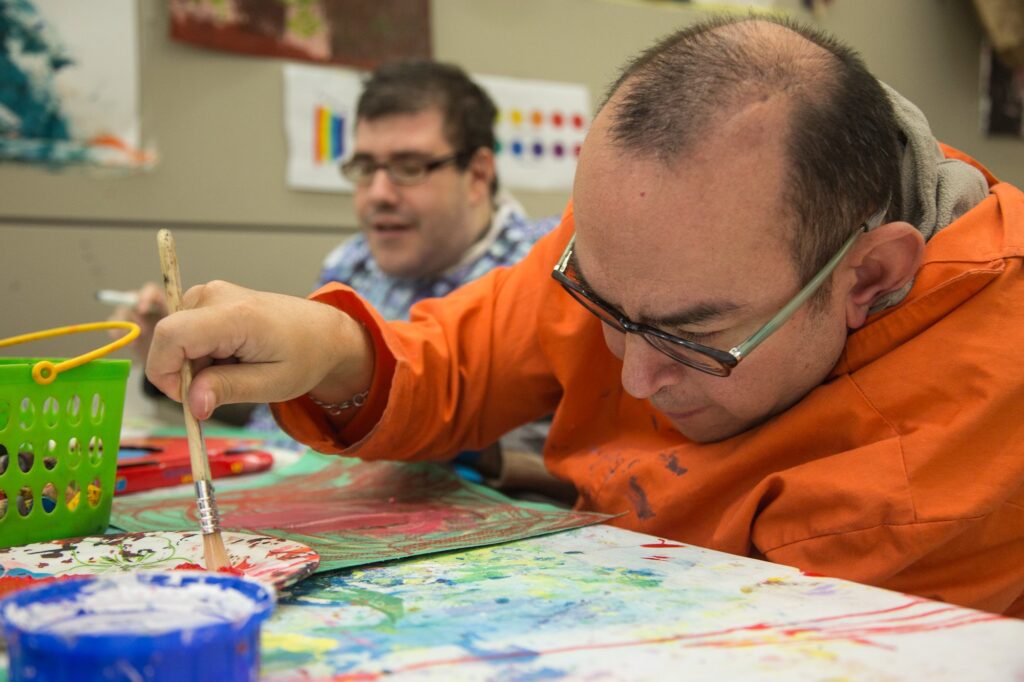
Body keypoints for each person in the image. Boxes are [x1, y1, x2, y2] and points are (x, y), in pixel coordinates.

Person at [145, 16, 1024, 616]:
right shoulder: (649, 240)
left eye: (692, 335)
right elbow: (463, 358)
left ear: (868, 278)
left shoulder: (979, 413)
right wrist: (327, 345)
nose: (636, 374)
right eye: (605, 307)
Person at [116, 60, 560, 489]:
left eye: (410, 168)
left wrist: (352, 377)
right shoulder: (352, 261)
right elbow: (281, 417)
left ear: (479, 173)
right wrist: (208, 369)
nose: (379, 194)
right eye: (365, 169)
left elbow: (579, 448)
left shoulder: (552, 268)